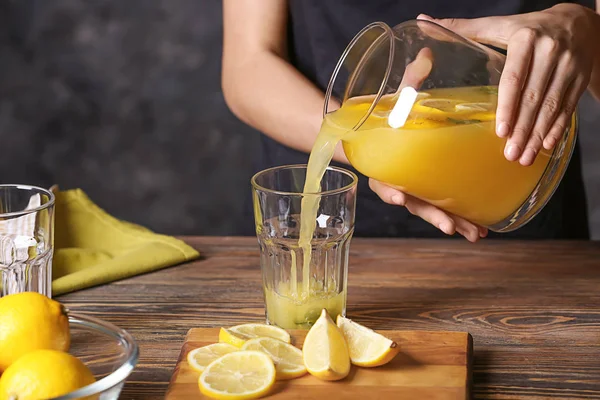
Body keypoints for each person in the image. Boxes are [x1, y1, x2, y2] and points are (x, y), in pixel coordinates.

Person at [222, 1, 600, 242]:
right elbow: (248, 66)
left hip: (531, 208)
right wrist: (373, 150)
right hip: (336, 223)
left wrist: (589, 31)